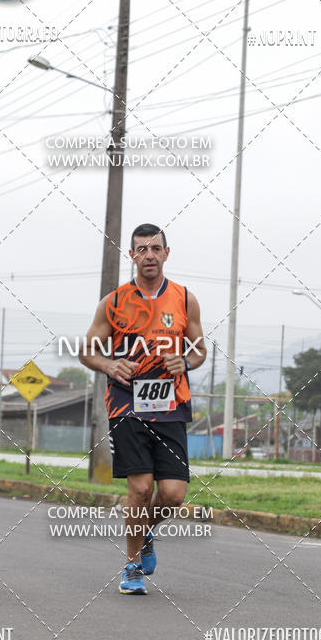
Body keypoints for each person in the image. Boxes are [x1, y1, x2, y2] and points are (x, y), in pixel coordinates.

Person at [80, 223, 206, 594]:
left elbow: (199, 350)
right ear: (131, 255)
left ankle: (145, 533)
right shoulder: (114, 302)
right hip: (127, 405)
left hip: (171, 405)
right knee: (139, 489)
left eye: (155, 248)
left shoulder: (184, 299)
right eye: (140, 249)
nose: (148, 255)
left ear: (167, 253)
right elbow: (88, 349)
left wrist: (186, 360)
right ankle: (132, 566)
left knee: (172, 494)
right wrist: (108, 365)